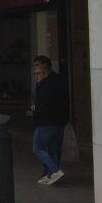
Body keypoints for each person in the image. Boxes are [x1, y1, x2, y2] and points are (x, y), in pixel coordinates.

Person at [32, 55, 68, 185]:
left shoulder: (45, 83)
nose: (35, 69)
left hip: (46, 121)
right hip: (58, 121)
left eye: (37, 65)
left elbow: (44, 103)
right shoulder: (59, 80)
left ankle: (54, 170)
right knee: (52, 149)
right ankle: (50, 175)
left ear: (44, 66)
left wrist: (34, 113)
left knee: (38, 148)